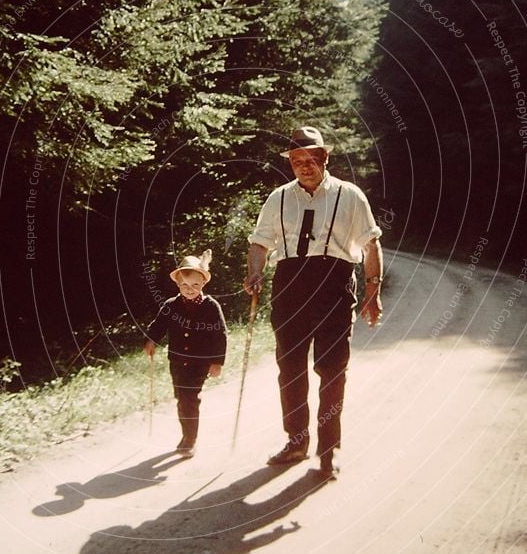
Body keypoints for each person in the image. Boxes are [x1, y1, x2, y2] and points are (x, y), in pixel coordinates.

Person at [244, 126, 383, 479]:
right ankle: (296, 442)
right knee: (290, 369)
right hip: (289, 287)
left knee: (332, 369)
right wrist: (255, 272)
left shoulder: (350, 196)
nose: (303, 166)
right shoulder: (278, 198)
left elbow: (370, 245)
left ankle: (327, 449)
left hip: (334, 286)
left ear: (325, 158)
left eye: (310, 159)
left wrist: (373, 290)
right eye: (296, 161)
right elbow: (260, 243)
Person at [144, 250, 227, 457]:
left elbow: (220, 335)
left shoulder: (211, 306)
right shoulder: (170, 306)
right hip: (178, 362)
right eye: (185, 285)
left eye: (195, 285)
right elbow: (158, 326)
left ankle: (189, 439)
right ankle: (186, 433)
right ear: (178, 285)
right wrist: (151, 340)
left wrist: (217, 362)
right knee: (181, 398)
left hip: (200, 363)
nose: (190, 290)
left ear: (203, 284)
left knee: (189, 398)